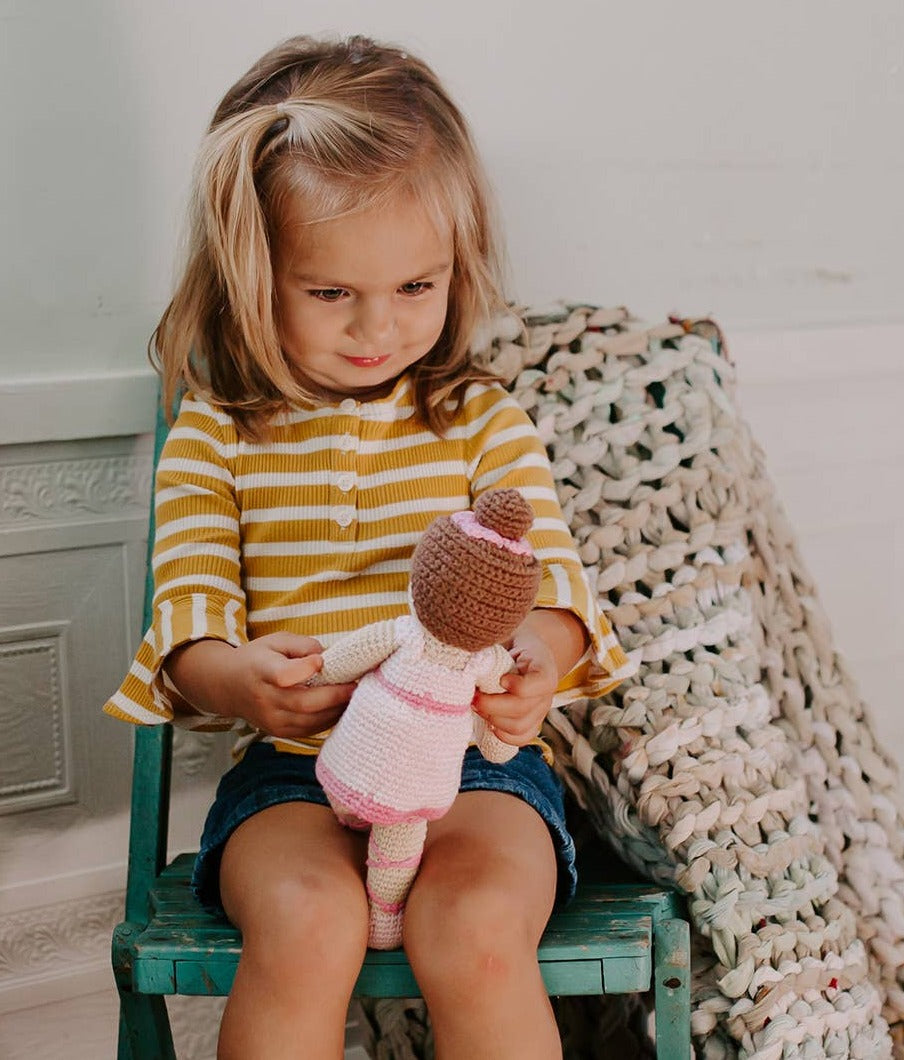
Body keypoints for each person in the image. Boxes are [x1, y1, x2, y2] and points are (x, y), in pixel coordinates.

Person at [104, 33, 632, 1060]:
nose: (376, 330)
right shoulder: (219, 432)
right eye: (330, 293)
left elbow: (555, 589)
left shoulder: (479, 420)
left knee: (478, 927)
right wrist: (241, 681)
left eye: (415, 288)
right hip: (293, 776)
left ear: (454, 269)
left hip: (478, 770)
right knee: (305, 922)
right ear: (253, 275)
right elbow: (189, 621)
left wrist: (538, 658)